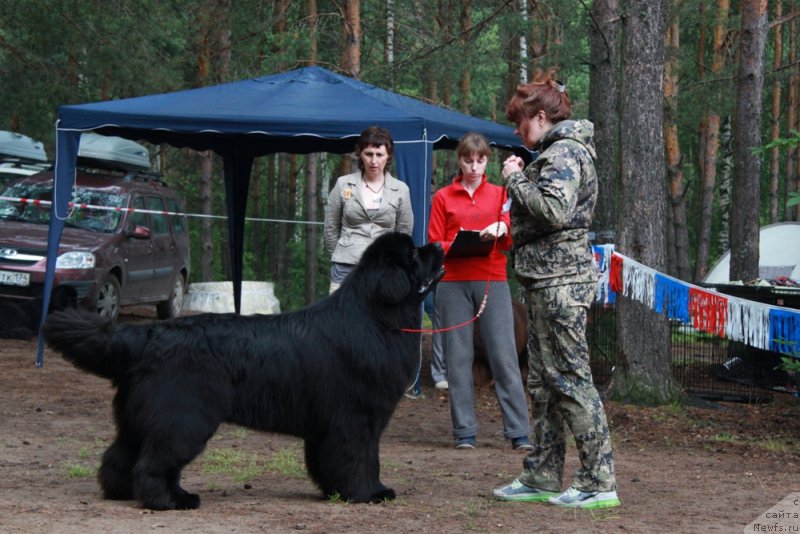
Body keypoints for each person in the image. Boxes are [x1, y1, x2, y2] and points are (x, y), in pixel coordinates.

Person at [492, 75, 620, 509]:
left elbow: (554, 210)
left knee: (570, 378)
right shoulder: (553, 153)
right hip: (545, 280)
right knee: (545, 383)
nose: (516, 131)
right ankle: (543, 474)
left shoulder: (564, 152)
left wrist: (515, 179)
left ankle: (598, 481)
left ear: (542, 117)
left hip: (561, 283)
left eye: (520, 122)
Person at [428, 132, 532, 451]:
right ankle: (464, 432)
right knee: (458, 358)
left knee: (504, 354)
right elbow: (434, 243)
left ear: (487, 161)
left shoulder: (500, 194)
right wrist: (461, 242)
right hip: (453, 282)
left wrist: (502, 229)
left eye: (480, 160)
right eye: (468, 160)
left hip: (492, 279)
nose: (474, 167)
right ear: (459, 161)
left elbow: (509, 238)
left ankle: (519, 432)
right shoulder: (443, 197)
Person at [324, 126, 413, 293]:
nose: (374, 161)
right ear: (360, 154)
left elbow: (404, 232)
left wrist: (392, 261)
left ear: (388, 156)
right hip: (345, 266)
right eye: (369, 154)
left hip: (384, 268)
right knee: (341, 310)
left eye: (379, 154)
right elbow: (330, 227)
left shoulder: (401, 189)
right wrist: (340, 254)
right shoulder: (343, 184)